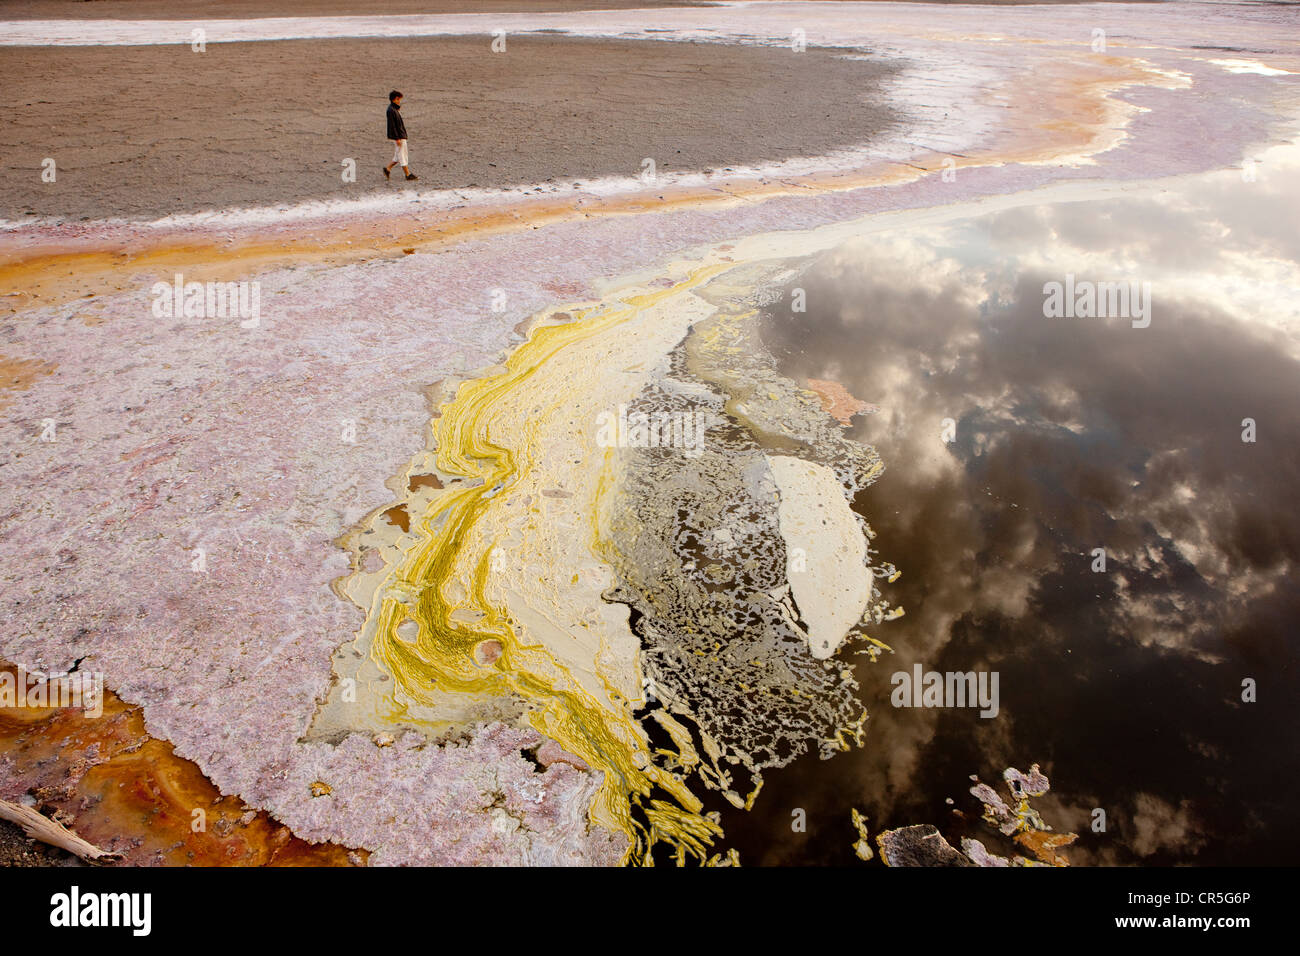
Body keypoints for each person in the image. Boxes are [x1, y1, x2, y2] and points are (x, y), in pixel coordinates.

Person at [383, 90, 417, 181]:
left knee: (398, 156)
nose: (399, 101)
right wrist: (397, 138)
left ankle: (387, 169)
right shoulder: (391, 110)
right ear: (394, 99)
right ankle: (407, 174)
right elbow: (392, 126)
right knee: (402, 155)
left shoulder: (393, 109)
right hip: (399, 136)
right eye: (398, 99)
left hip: (400, 135)